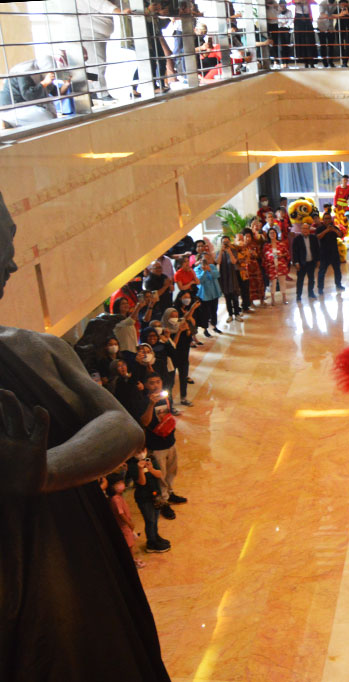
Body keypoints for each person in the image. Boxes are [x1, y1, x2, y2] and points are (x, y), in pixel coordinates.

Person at [0, 191, 169, 679]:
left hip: (77, 570)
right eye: (3, 240)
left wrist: (44, 471)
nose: (12, 262)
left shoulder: (35, 349)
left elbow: (119, 425)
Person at [133, 373, 187, 518]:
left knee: (171, 471)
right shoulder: (143, 402)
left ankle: (169, 494)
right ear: (146, 385)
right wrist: (151, 404)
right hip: (156, 446)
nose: (156, 385)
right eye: (152, 383)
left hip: (170, 441)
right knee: (160, 476)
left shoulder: (166, 397)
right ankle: (163, 502)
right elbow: (144, 422)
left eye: (158, 381)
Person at [78, 0, 130, 101]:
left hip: (97, 35)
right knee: (97, 64)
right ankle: (101, 93)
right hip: (89, 35)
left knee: (94, 65)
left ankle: (93, 90)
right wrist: (119, 11)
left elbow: (121, 5)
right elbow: (102, 4)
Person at [0, 57, 58, 128]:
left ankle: (10, 123)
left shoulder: (41, 75)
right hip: (12, 108)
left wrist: (66, 84)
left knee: (49, 116)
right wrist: (44, 82)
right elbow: (28, 95)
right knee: (46, 116)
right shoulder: (23, 71)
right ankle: (9, 122)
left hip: (24, 108)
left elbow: (55, 91)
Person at [163, 306, 194, 407]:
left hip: (184, 359)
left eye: (176, 316)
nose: (175, 318)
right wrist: (179, 332)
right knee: (170, 382)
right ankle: (169, 403)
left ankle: (183, 398)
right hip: (171, 360)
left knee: (183, 379)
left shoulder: (183, 327)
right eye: (172, 316)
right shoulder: (166, 331)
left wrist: (187, 329)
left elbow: (189, 339)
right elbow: (173, 345)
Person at [195, 249, 223, 336]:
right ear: (200, 260)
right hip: (204, 294)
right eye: (205, 259)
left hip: (214, 292)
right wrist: (204, 271)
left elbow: (217, 275)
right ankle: (205, 329)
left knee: (214, 310)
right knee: (205, 312)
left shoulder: (212, 266)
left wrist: (209, 270)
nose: (207, 261)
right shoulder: (197, 269)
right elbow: (199, 280)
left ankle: (214, 326)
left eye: (208, 258)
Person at [316, 214, 346, 295]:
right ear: (323, 219)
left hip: (334, 253)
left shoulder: (334, 228)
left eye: (329, 218)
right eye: (326, 219)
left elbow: (340, 235)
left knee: (337, 270)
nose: (327, 220)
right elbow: (318, 237)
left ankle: (338, 285)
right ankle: (320, 288)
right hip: (324, 253)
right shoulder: (320, 228)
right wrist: (327, 230)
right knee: (322, 271)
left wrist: (334, 230)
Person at [216, 235, 243, 322]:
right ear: (221, 243)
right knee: (227, 297)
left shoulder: (233, 251)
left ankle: (237, 314)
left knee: (235, 296)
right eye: (224, 242)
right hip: (224, 277)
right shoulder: (219, 252)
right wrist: (221, 251)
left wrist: (229, 251)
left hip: (233, 276)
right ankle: (230, 314)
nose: (226, 244)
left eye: (227, 242)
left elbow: (234, 261)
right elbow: (218, 262)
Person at [292, 222, 320, 301]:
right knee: (300, 280)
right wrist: (296, 262)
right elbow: (294, 252)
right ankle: (298, 295)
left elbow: (317, 250)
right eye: (303, 228)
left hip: (311, 262)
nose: (305, 230)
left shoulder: (313, 238)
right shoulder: (297, 239)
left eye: (307, 228)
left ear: (309, 230)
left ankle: (311, 293)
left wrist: (318, 260)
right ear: (301, 230)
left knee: (311, 279)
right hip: (301, 263)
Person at [263, 227, 291, 304]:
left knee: (282, 282)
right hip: (271, 267)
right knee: (272, 284)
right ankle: (273, 300)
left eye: (274, 233)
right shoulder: (266, 246)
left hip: (281, 266)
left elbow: (287, 254)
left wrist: (281, 255)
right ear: (268, 235)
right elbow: (264, 257)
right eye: (270, 233)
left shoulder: (281, 244)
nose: (272, 234)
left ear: (276, 234)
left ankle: (284, 299)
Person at [292, 0, 318, 67]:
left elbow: (315, 3)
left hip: (307, 18)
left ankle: (311, 62)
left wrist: (306, 1)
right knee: (301, 41)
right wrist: (297, 1)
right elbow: (289, 3)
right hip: (298, 18)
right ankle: (305, 62)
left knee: (309, 41)